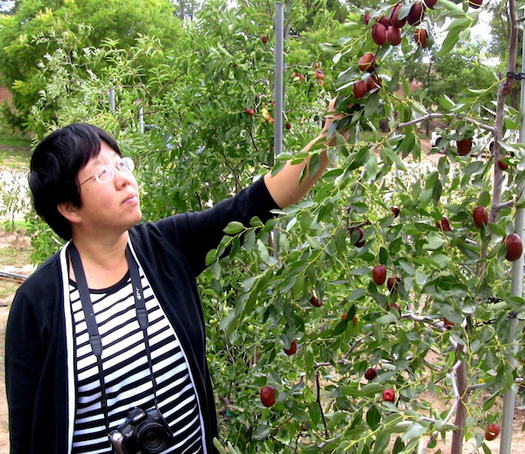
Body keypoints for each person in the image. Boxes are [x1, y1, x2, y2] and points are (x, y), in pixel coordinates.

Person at [5, 99, 340, 454]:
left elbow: (257, 202)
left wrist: (330, 134)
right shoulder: (39, 303)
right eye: (102, 173)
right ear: (69, 207)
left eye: (121, 163)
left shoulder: (166, 248)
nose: (123, 179)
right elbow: (28, 435)